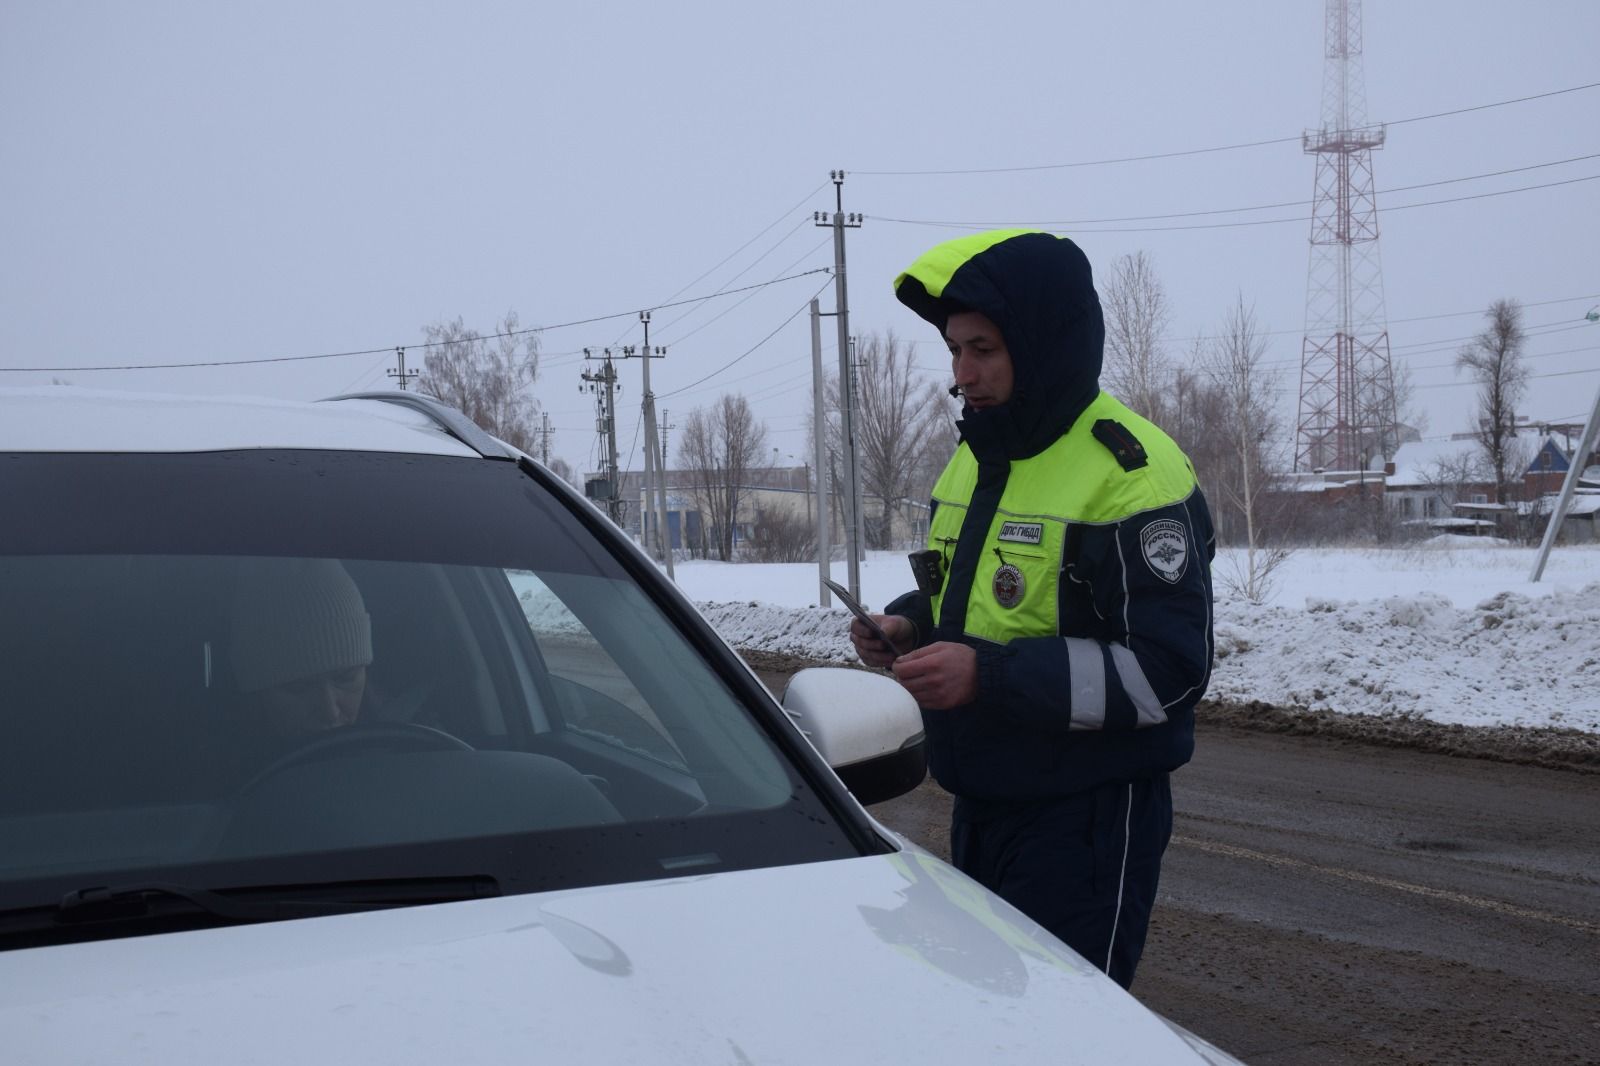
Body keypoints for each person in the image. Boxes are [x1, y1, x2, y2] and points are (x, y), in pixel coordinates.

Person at [849, 229, 1215, 990]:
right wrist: (909, 624)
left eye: (982, 348)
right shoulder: (980, 454)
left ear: (1043, 340)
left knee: (1065, 1032)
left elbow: (1169, 672)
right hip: (982, 802)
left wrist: (990, 677)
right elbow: (973, 596)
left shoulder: (1131, 477)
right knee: (990, 1024)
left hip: (1086, 825)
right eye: (954, 350)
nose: (962, 373)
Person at [228, 557, 374, 754]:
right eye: (298, 687)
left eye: (345, 678)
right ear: (255, 691)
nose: (329, 711)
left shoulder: (404, 748)